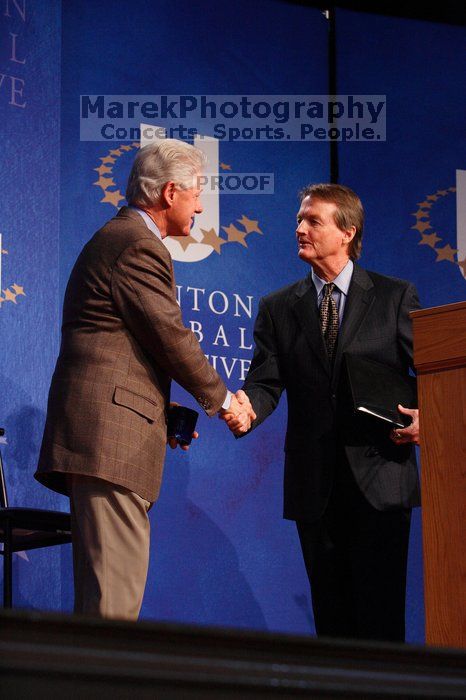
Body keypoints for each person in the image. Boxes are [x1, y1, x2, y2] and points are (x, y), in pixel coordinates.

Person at [35, 139, 255, 620]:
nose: (200, 205)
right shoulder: (137, 243)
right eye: (197, 192)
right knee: (112, 614)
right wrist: (224, 403)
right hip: (108, 445)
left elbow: (122, 347)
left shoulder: (123, 238)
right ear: (170, 192)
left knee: (106, 608)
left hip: (108, 441)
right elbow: (170, 336)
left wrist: (163, 412)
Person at [225, 183, 420, 642]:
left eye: (313, 220)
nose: (299, 229)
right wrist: (247, 409)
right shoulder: (278, 308)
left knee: (381, 623)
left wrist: (426, 417)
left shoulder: (395, 298)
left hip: (381, 482)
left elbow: (430, 374)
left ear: (347, 232)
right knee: (332, 627)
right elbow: (266, 381)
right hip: (316, 488)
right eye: (299, 219)